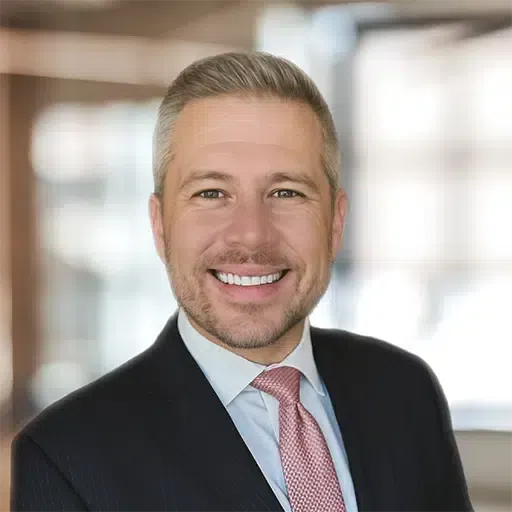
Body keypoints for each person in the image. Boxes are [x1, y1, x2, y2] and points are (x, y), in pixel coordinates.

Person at [10, 51, 474, 512]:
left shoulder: (404, 391)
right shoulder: (66, 458)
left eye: (286, 192)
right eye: (211, 193)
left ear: (335, 222)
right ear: (160, 225)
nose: (252, 234)